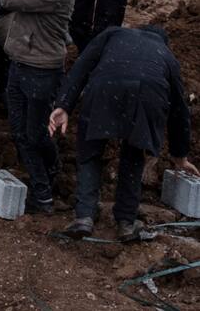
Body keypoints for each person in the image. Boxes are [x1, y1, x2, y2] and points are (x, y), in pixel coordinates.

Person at [51, 26, 198, 241]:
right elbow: (179, 110)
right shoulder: (167, 55)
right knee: (133, 155)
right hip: (147, 95)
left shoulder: (113, 34)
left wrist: (64, 105)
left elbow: (82, 66)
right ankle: (126, 223)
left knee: (90, 151)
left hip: (105, 87)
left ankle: (84, 217)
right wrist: (180, 155)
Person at [0, 0, 75, 214]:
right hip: (21, 64)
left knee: (35, 134)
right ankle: (47, 182)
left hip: (41, 71)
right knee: (20, 132)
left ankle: (44, 191)